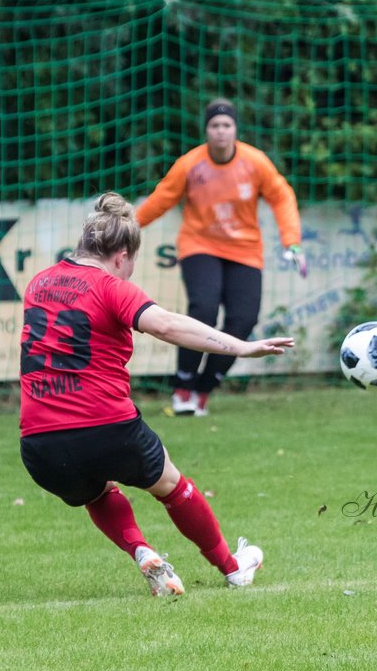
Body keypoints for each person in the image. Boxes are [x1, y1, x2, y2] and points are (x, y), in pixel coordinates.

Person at [19, 192, 295, 597]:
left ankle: (142, 551)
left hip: (37, 443)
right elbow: (165, 325)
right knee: (171, 485)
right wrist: (240, 346)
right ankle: (233, 567)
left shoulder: (38, 283)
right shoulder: (112, 287)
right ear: (122, 255)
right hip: (106, 427)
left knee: (96, 492)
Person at [136, 98, 307, 418]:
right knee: (203, 309)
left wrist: (292, 242)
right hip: (199, 245)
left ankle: (203, 390)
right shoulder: (190, 164)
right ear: (206, 131)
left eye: (226, 125)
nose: (220, 131)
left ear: (235, 130)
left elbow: (282, 197)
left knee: (243, 320)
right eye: (214, 125)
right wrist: (129, 226)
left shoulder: (255, 163)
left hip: (245, 250)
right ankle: (182, 387)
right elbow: (161, 199)